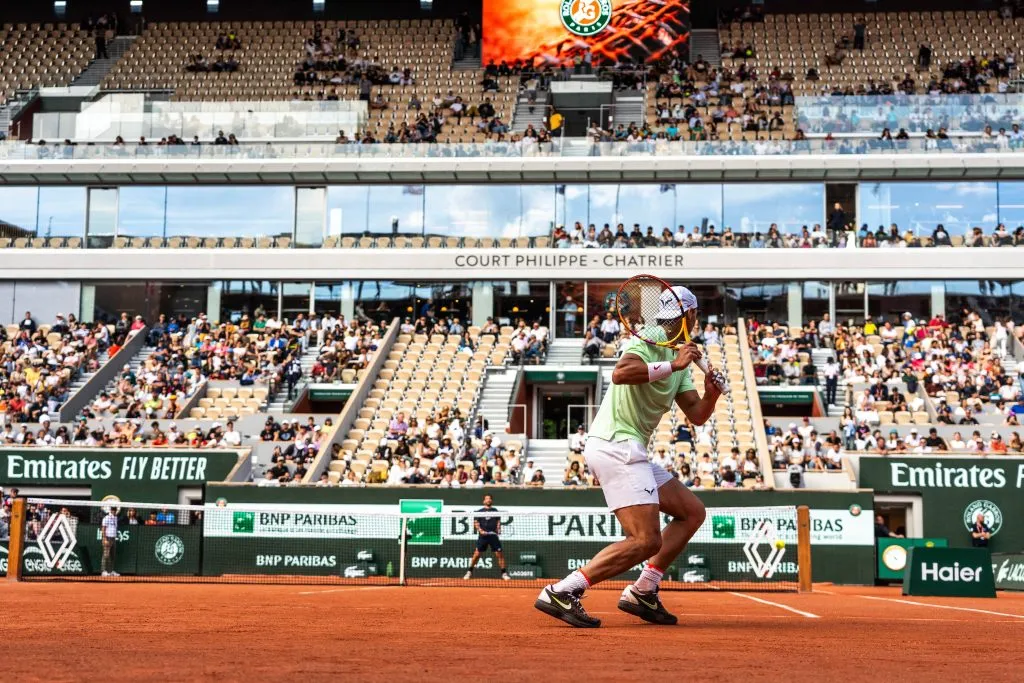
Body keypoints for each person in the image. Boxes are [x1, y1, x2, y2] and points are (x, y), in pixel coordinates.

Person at [535, 286, 722, 628]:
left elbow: (696, 414)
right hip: (615, 443)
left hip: (632, 447)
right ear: (692, 316)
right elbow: (620, 374)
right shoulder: (648, 339)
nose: (673, 324)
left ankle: (644, 590)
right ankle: (563, 590)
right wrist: (672, 363)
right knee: (646, 540)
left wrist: (711, 395)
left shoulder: (679, 360)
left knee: (692, 512)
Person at [463, 495, 511, 581]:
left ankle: (504, 573)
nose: (488, 500)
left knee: (499, 555)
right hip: (483, 537)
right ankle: (469, 572)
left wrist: (498, 529)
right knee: (477, 554)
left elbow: (498, 521)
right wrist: (480, 530)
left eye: (490, 499)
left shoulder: (495, 511)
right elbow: (476, 522)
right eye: (486, 499)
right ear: (484, 501)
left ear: (491, 501)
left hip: (493, 536)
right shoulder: (479, 511)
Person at [101, 506, 120, 577]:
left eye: (115, 510)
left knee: (112, 555)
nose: (114, 511)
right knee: (106, 555)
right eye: (112, 510)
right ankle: (103, 571)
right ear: (110, 510)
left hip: (113, 538)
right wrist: (104, 539)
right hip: (107, 538)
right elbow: (103, 528)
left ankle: (111, 571)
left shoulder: (116, 518)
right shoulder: (106, 518)